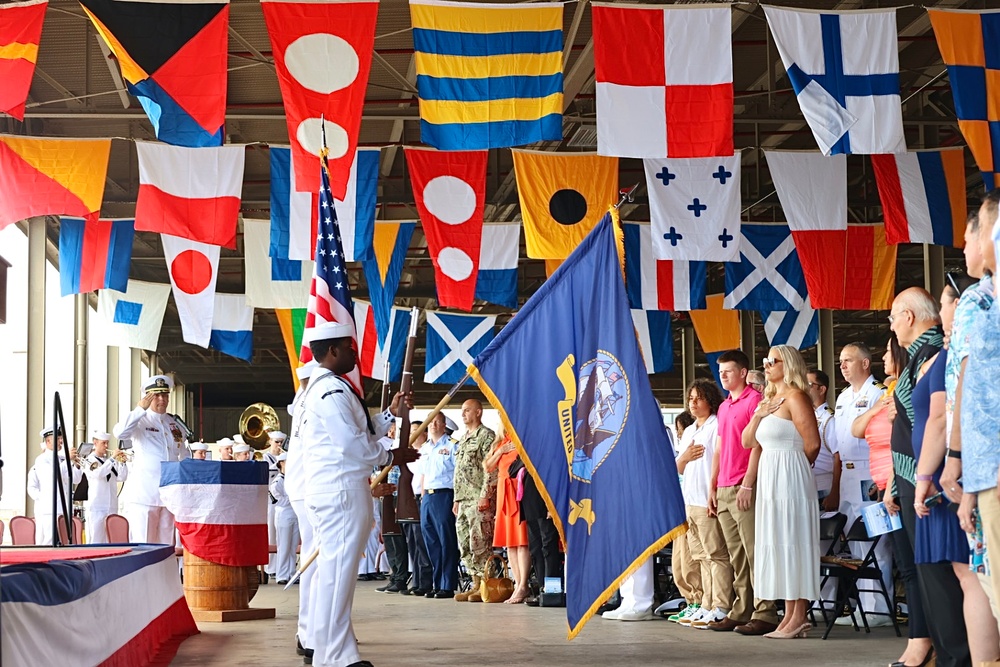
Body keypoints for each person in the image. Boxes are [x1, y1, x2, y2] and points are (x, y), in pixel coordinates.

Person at [298, 322, 413, 667]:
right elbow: (350, 443)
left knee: (332, 574)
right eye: (348, 347)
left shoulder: (326, 389)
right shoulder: (330, 390)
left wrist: (390, 413)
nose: (354, 353)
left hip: (335, 489)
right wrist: (391, 457)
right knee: (337, 576)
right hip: (341, 490)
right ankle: (334, 657)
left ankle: (329, 649)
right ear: (332, 351)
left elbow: (357, 428)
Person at [913, 279, 999, 665]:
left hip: (968, 468)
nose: (950, 311)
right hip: (966, 468)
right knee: (974, 573)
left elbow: (940, 418)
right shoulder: (948, 352)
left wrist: (936, 470)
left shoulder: (959, 349)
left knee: (974, 575)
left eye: (952, 303)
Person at [889, 286, 968, 667]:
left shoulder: (936, 352)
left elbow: (935, 418)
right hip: (913, 472)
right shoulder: (918, 355)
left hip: (931, 474)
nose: (890, 325)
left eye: (892, 316)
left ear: (908, 316)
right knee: (925, 569)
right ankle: (941, 648)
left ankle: (955, 653)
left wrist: (922, 475)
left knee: (942, 573)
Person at [742, 346, 820, 639]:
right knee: (778, 539)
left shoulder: (797, 397)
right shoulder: (768, 401)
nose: (766, 365)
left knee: (793, 539)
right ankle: (788, 615)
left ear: (786, 365)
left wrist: (796, 469)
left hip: (790, 472)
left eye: (771, 361)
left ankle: (799, 616)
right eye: (764, 361)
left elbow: (812, 443)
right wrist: (758, 415)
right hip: (770, 474)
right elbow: (748, 442)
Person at [706, 350, 778, 635]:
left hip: (743, 485)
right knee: (736, 556)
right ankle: (741, 609)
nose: (723, 375)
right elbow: (720, 448)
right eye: (721, 371)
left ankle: (766, 611)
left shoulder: (756, 401)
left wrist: (748, 483)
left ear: (744, 373)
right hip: (724, 486)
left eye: (729, 371)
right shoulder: (724, 407)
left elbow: (758, 445)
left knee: (754, 551)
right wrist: (712, 485)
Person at [957, 190, 1000, 638]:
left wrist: (955, 458)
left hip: (988, 464)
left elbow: (967, 390)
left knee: (988, 581)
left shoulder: (978, 302)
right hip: (983, 465)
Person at [831, 342, 893, 626]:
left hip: (870, 472)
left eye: (848, 360)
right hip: (847, 473)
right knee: (853, 545)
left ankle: (880, 606)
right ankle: (863, 607)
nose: (842, 366)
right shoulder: (843, 397)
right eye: (841, 361)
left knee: (876, 542)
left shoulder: (878, 393)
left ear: (865, 364)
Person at [674, 380, 733, 629]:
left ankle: (720, 605)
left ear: (710, 400)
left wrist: (714, 493)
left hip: (706, 498)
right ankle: (706, 604)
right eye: (691, 399)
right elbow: (678, 466)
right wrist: (685, 457)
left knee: (716, 554)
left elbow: (718, 460)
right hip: (690, 499)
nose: (694, 403)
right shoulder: (689, 431)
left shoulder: (716, 425)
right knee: (700, 557)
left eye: (699, 398)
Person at [113, 375, 188, 544]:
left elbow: (183, 453)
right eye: (156, 395)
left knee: (167, 546)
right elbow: (120, 433)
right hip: (145, 495)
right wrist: (139, 409)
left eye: (165, 395)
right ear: (148, 397)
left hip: (169, 494)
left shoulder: (173, 423)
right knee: (144, 544)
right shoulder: (140, 420)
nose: (162, 399)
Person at [285, 362, 321, 662]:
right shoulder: (311, 406)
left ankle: (311, 630)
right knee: (318, 562)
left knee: (316, 560)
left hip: (306, 491)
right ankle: (312, 632)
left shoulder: (302, 405)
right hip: (313, 492)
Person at [452, 399, 496, 602]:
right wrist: (456, 498)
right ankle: (475, 583)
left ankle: (487, 585)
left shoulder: (485, 436)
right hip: (463, 499)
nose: (463, 414)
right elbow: (458, 472)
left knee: (480, 543)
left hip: (478, 498)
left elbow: (489, 468)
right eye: (462, 410)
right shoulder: (463, 439)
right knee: (465, 543)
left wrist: (485, 495)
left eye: (467, 410)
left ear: (478, 412)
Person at [484, 423, 531, 604]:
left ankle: (523, 585)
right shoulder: (500, 442)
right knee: (510, 544)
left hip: (518, 490)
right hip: (504, 494)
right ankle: (518, 584)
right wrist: (501, 450)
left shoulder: (523, 439)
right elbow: (488, 466)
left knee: (521, 541)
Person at [419, 412, 459, 599]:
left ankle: (447, 584)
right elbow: (423, 475)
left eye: (437, 422)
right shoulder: (425, 448)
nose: (433, 425)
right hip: (428, 496)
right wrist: (423, 496)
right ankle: (436, 583)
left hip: (445, 495)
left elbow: (458, 475)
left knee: (446, 541)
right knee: (431, 542)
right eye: (431, 422)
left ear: (444, 425)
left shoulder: (452, 446)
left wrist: (456, 499)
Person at [26, 427, 82, 544]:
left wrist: (75, 465)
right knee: (48, 541)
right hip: (49, 508)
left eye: (61, 438)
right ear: (48, 442)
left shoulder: (61, 459)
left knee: (65, 541)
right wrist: (67, 459)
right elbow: (52, 476)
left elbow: (76, 480)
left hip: (64, 507)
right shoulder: (42, 460)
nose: (60, 441)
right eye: (57, 438)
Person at [377, 422, 411, 595]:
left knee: (398, 538)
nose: (391, 433)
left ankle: (401, 578)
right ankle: (394, 575)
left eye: (394, 430)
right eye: (390, 430)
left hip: (398, 495)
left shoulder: (403, 449)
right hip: (386, 495)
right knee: (389, 535)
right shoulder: (385, 447)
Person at [401, 429, 434, 597]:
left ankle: (425, 582)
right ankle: (417, 581)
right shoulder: (409, 453)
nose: (412, 434)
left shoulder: (426, 452)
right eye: (411, 431)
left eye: (416, 431)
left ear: (424, 434)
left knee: (422, 542)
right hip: (410, 499)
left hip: (421, 498)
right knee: (412, 543)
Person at [83, 430, 129, 543]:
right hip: (97, 506)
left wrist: (122, 462)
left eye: (107, 443)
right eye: (103, 443)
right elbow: (98, 474)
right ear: (95, 442)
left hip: (111, 505)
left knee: (111, 541)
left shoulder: (109, 461)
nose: (106, 446)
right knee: (96, 540)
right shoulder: (89, 460)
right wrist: (112, 459)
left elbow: (121, 477)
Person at [805, 370, 840, 510]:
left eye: (808, 384)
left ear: (822, 389)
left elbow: (838, 457)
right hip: (807, 480)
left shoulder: (829, 419)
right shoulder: (806, 415)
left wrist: (834, 492)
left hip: (824, 481)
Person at [269, 453, 298, 585]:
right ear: (281, 463)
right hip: (284, 514)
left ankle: (292, 573)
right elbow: (279, 500)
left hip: (294, 513)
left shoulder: (293, 479)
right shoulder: (277, 482)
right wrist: (294, 499)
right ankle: (282, 574)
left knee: (293, 546)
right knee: (284, 545)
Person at [264, 430, 287, 580]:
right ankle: (270, 567)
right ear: (270, 441)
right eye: (276, 441)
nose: (278, 445)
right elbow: (269, 471)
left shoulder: (285, 456)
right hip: (270, 498)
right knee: (271, 533)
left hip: (283, 499)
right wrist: (280, 459)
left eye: (280, 442)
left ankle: (280, 566)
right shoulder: (266, 456)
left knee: (282, 536)